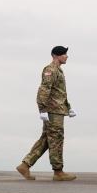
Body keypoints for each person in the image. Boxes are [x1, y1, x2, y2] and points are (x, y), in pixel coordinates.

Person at [16, 45, 77, 181]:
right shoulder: (50, 69)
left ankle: (25, 165)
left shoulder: (58, 70)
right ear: (56, 55)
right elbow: (44, 90)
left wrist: (68, 107)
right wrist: (42, 109)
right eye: (64, 54)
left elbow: (58, 92)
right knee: (56, 139)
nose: (66, 56)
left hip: (57, 110)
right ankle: (58, 172)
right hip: (52, 111)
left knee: (46, 139)